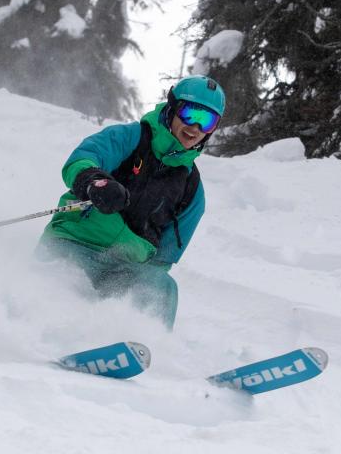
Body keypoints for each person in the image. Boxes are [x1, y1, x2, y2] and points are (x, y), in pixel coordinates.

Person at [39, 75, 226, 330]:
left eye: (207, 121)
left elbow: (162, 261)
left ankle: (143, 344)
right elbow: (83, 158)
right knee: (62, 289)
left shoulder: (192, 190)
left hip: (121, 270)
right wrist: (94, 182)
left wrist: (138, 287)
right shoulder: (131, 138)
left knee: (161, 287)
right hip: (74, 245)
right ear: (172, 107)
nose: (195, 127)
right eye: (190, 113)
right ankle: (36, 329)